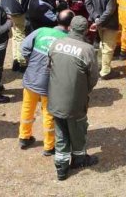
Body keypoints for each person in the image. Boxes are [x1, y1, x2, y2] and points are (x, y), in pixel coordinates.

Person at [48, 15, 99, 180]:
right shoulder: (87, 50)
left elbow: (50, 65)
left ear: (69, 27)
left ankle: (61, 167)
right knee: (78, 129)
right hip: (75, 100)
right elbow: (93, 78)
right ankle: (79, 159)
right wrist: (85, 91)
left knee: (60, 130)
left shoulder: (55, 43)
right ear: (85, 31)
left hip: (55, 97)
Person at [19, 9, 73, 156]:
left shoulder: (41, 31)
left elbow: (23, 48)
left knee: (27, 108)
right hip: (50, 84)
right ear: (70, 26)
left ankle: (24, 137)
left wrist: (32, 62)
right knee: (48, 114)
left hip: (31, 78)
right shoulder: (67, 41)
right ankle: (49, 146)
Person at [85, 0, 120, 80]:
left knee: (102, 44)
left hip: (97, 21)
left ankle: (100, 66)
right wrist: (99, 21)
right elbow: (110, 10)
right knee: (108, 47)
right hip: (109, 23)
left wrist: (96, 18)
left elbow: (88, 3)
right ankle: (105, 72)